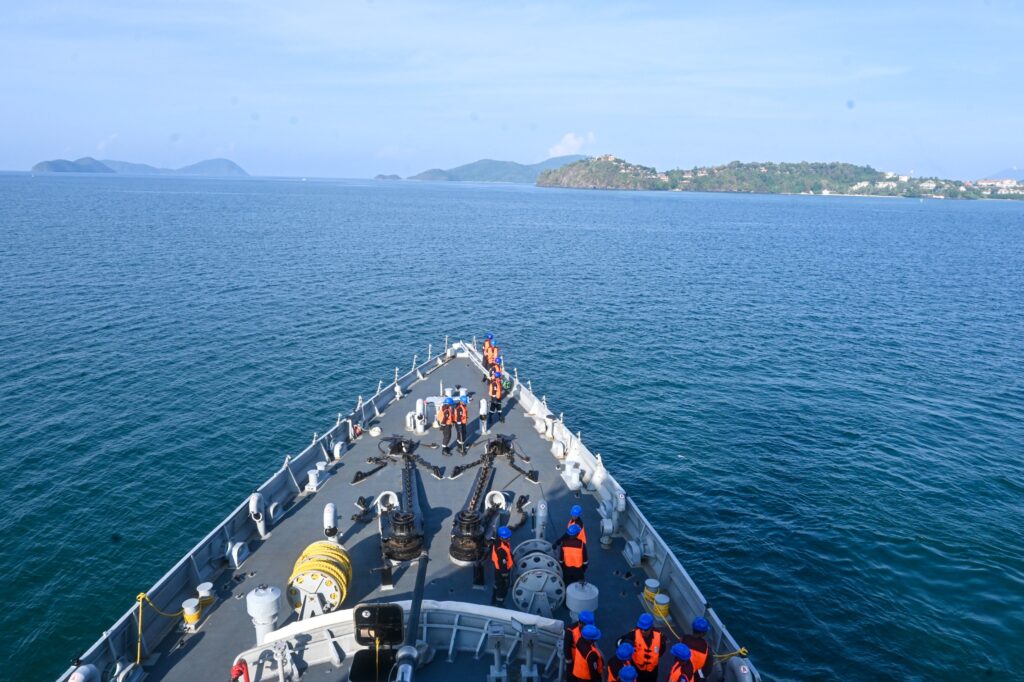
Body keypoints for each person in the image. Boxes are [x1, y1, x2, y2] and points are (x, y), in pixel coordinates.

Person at [617, 614, 664, 682]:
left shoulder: (660, 636)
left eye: (645, 629)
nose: (643, 631)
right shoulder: (634, 634)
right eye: (641, 628)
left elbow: (662, 651)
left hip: (653, 670)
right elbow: (619, 641)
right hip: (637, 668)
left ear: (651, 627)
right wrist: (625, 649)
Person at [490, 526, 513, 605]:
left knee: (498, 583)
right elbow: (502, 564)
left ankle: (495, 590)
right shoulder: (501, 550)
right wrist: (505, 575)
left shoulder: (499, 542)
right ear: (501, 538)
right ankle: (499, 602)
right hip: (501, 571)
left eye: (509, 537)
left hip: (498, 569)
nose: (509, 539)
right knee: (502, 586)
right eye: (507, 538)